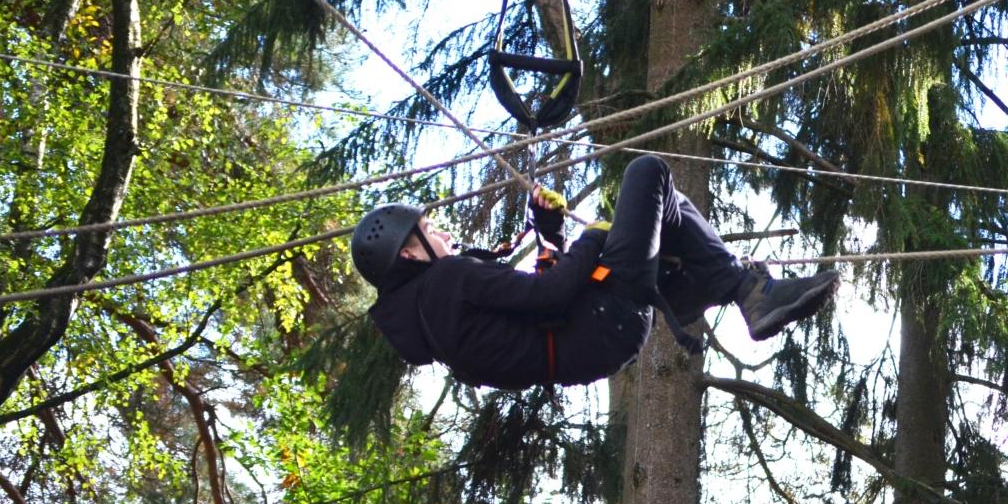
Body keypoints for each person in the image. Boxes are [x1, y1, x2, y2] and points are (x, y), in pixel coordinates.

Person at [351, 155, 840, 390]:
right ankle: (750, 292)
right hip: (599, 318)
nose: (445, 237)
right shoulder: (446, 279)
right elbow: (551, 297)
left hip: (599, 343)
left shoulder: (434, 323)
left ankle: (735, 285)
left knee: (669, 219)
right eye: (430, 231)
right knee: (648, 175)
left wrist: (551, 235)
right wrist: (591, 237)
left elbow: (535, 312)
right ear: (411, 255)